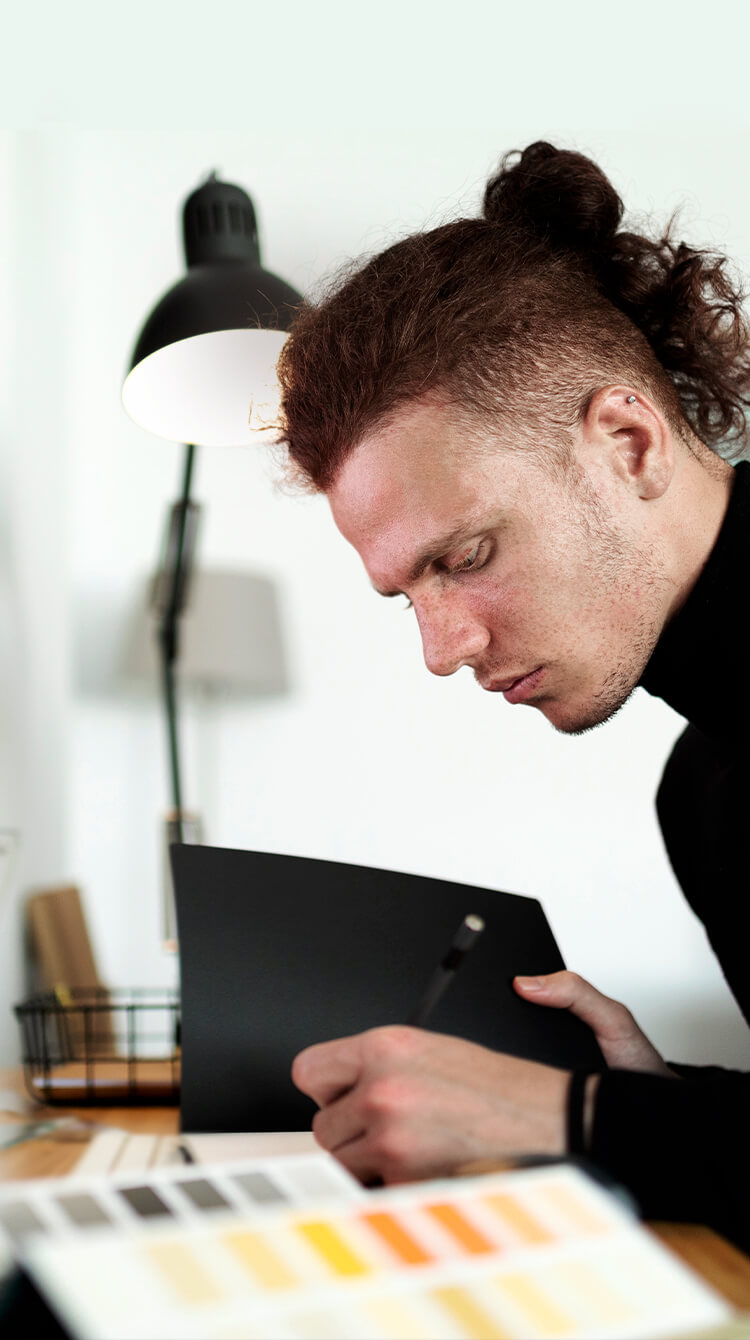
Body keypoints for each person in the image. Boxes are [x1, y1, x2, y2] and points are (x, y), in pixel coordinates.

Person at [276, 142, 750, 1250]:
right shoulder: (708, 788)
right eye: (407, 595)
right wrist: (649, 1094)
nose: (445, 649)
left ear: (628, 442)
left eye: (469, 552)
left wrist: (571, 1114)